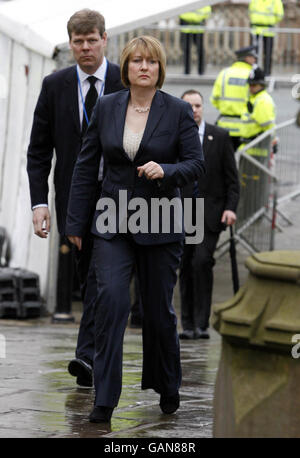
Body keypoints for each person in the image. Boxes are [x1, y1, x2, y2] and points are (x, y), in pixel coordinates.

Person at [66, 36, 205, 423]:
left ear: (160, 70)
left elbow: (196, 165)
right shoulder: (108, 105)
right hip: (111, 220)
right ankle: (105, 398)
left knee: (159, 311)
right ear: (126, 67)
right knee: (110, 302)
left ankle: (167, 385)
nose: (144, 67)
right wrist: (76, 222)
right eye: (137, 61)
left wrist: (168, 170)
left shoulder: (177, 111)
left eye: (151, 62)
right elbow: (85, 164)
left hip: (160, 220)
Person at [27, 9, 124, 387]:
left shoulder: (125, 79)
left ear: (104, 39)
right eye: (78, 42)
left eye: (91, 40)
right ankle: (94, 357)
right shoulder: (55, 85)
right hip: (74, 202)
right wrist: (39, 204)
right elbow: (39, 152)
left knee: (104, 278)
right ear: (69, 44)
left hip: (119, 201)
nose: (85, 48)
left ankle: (88, 357)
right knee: (90, 279)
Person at [179, 90, 239, 339]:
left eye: (197, 105)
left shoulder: (220, 137)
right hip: (182, 212)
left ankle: (202, 324)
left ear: (203, 107)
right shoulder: (174, 137)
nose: (194, 110)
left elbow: (232, 180)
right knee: (185, 265)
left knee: (202, 262)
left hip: (210, 213)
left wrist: (230, 208)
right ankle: (188, 324)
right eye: (189, 106)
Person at [210, 46, 257, 151]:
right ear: (246, 58)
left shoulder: (224, 73)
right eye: (253, 57)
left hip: (224, 125)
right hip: (245, 128)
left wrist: (227, 107)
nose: (255, 60)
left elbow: (214, 99)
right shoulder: (253, 75)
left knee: (225, 163)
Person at [239, 67, 276, 156]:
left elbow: (268, 127)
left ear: (261, 85)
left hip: (257, 151)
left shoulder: (263, 100)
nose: (251, 88)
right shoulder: (253, 98)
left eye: (254, 85)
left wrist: (273, 141)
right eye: (250, 85)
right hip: (249, 148)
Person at [249, 0, 284, 76]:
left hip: (268, 30)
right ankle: (255, 71)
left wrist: (270, 21)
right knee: (253, 53)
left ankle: (267, 72)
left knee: (268, 52)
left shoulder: (275, 1)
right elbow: (250, 11)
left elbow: (280, 15)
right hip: (255, 29)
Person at [179, 6, 212, 75]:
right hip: (187, 28)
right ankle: (187, 71)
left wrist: (198, 17)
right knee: (186, 50)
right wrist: (196, 18)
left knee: (200, 50)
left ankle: (201, 71)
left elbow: (207, 9)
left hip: (197, 28)